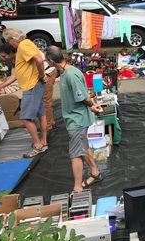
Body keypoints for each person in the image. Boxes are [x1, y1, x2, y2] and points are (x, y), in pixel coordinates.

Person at [44, 46, 103, 193]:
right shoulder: (64, 73)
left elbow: (83, 97)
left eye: (46, 60)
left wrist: (92, 105)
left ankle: (77, 188)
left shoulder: (71, 75)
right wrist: (90, 106)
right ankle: (95, 172)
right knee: (83, 147)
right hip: (75, 117)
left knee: (75, 153)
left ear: (51, 60)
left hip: (77, 120)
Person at [1, 28, 48, 158]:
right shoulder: (27, 43)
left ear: (12, 40)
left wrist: (41, 74)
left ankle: (38, 144)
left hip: (31, 86)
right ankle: (44, 142)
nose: (9, 45)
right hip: (34, 85)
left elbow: (38, 60)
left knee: (25, 118)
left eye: (8, 41)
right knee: (41, 114)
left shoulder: (23, 45)